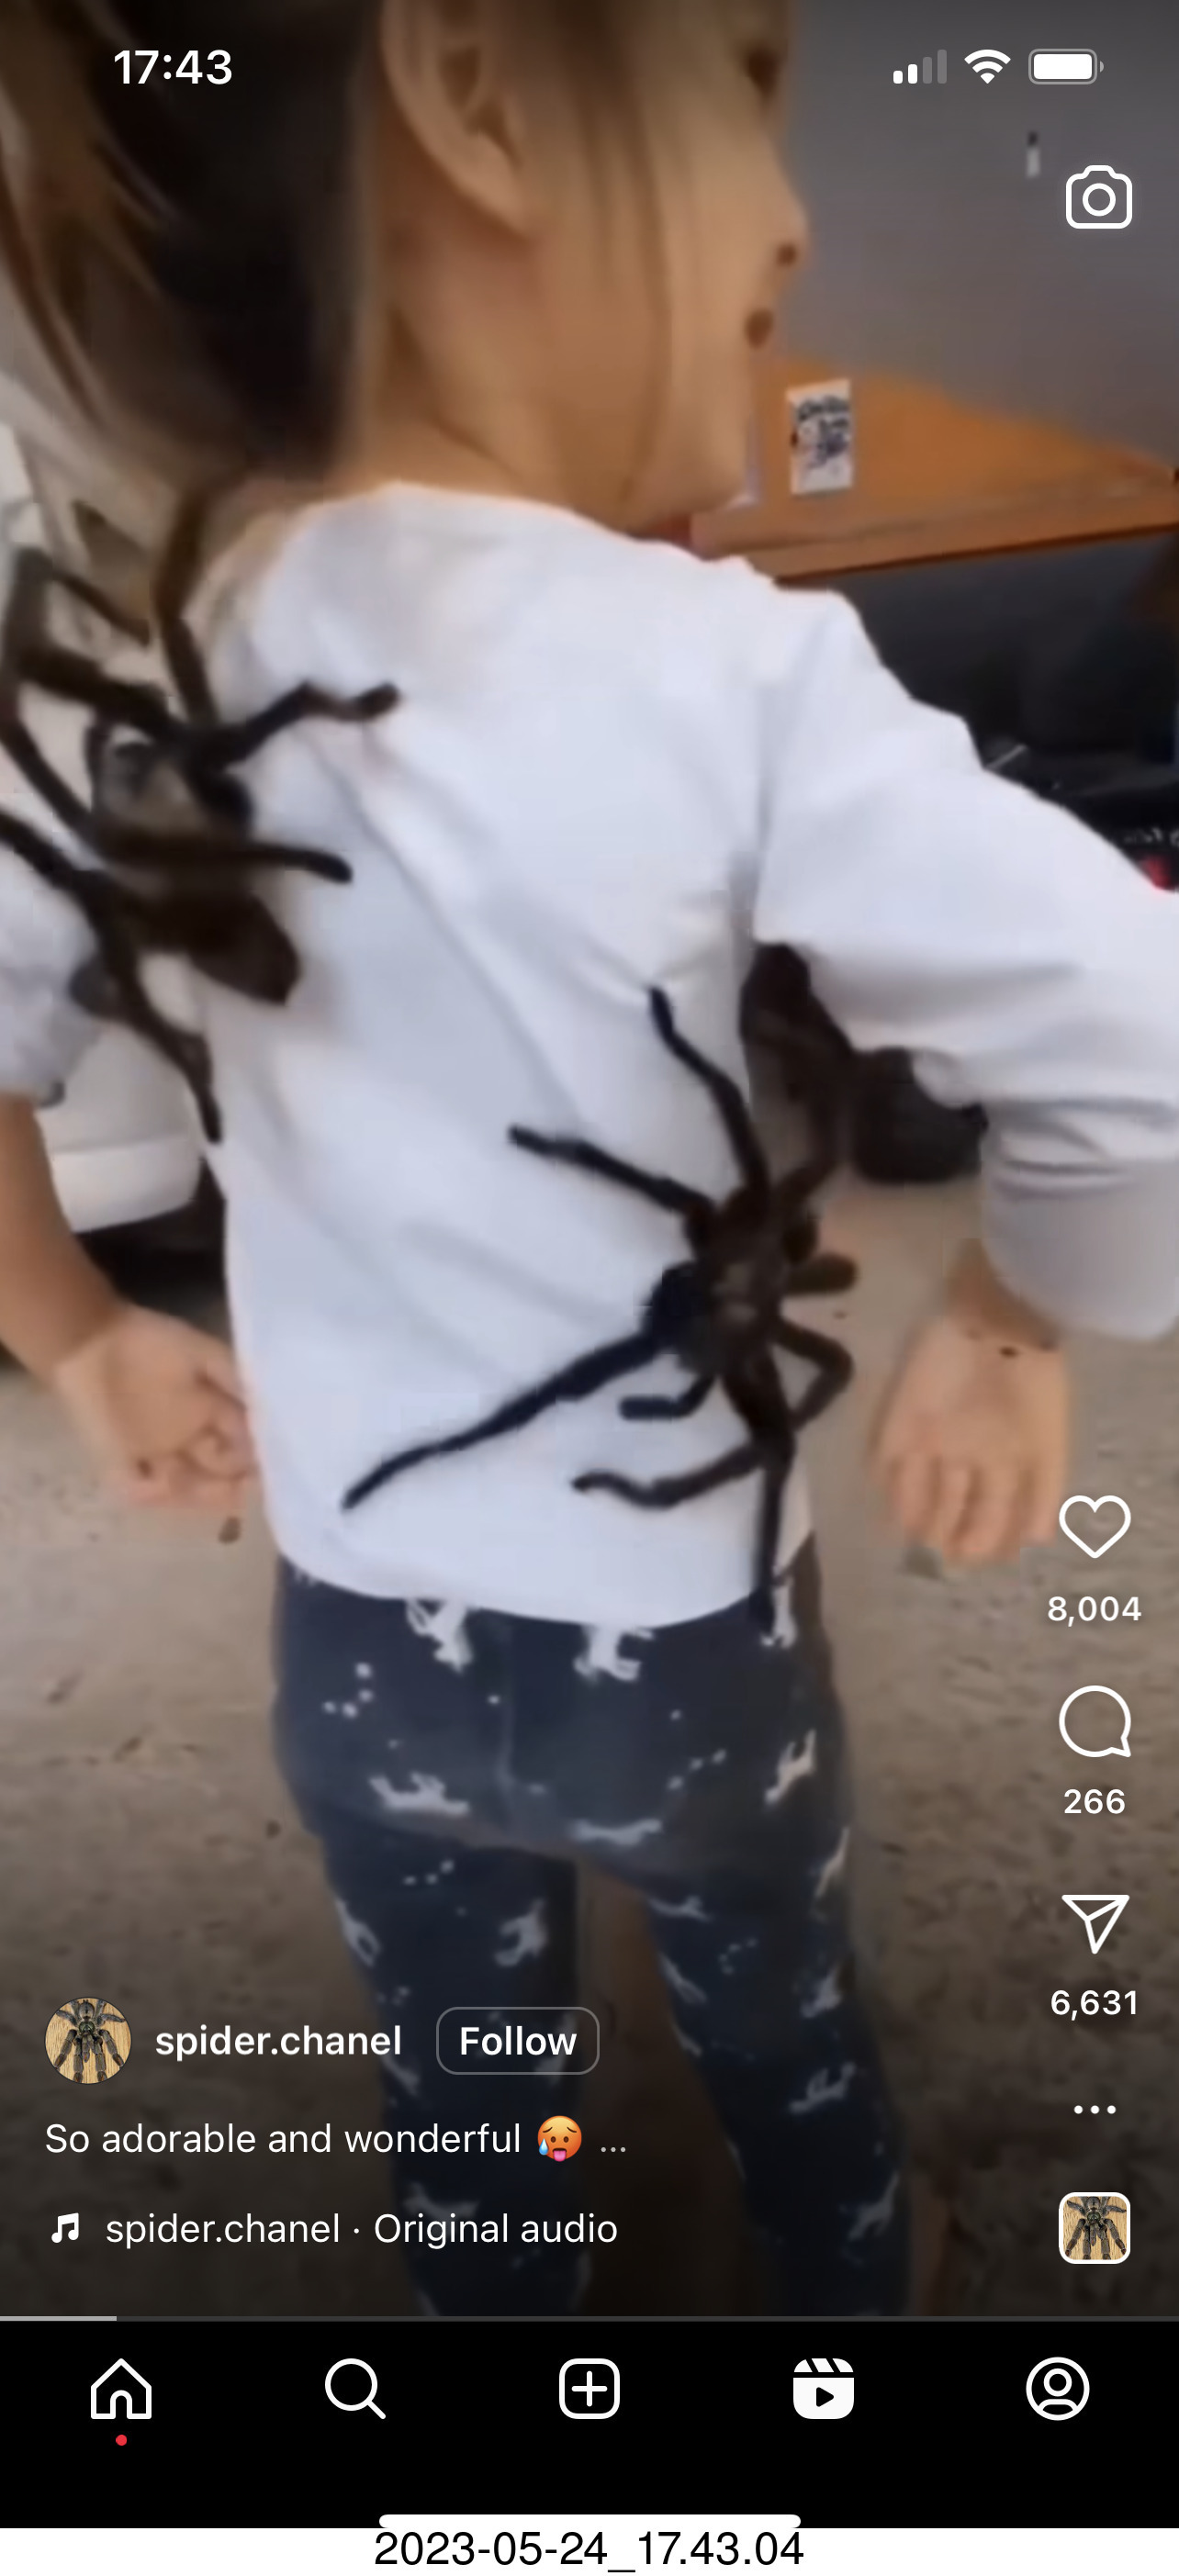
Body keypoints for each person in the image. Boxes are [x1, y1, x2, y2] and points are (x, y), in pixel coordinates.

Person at [0, 0, 1177, 2319]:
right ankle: (854, 2282)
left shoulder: (141, 672)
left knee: (465, 2075)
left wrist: (72, 1336)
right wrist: (1009, 1319)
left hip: (359, 1632)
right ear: (472, 93)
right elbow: (1141, 1029)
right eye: (743, 92)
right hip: (690, 1650)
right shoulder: (731, 670)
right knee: (779, 2015)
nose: (802, 218)